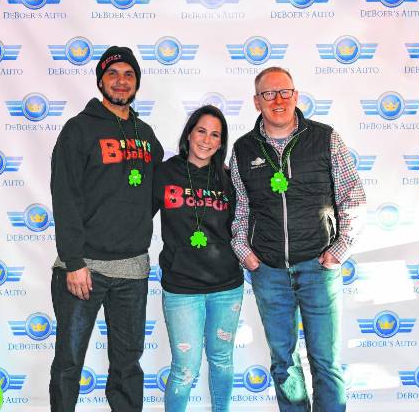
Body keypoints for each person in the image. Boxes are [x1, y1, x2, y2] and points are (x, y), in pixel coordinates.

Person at [230, 67, 366, 412]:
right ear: (256, 102)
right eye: (268, 94)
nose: (278, 100)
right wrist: (244, 252)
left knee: (326, 363)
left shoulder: (325, 138)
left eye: (284, 92)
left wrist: (339, 250)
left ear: (296, 95)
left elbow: (353, 195)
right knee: (283, 364)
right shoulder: (244, 149)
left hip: (319, 267)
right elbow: (240, 207)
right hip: (269, 272)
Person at [49, 46, 163, 412]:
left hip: (132, 269)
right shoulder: (78, 129)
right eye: (113, 74)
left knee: (127, 365)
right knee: (69, 362)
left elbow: (158, 185)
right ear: (101, 80)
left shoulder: (145, 133)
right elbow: (64, 194)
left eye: (129, 74)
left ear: (137, 83)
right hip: (84, 268)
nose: (121, 81)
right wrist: (73, 260)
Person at [153, 105, 243, 412]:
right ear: (189, 133)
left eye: (215, 135)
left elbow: (247, 224)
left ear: (221, 143)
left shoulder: (229, 179)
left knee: (222, 361)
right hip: (181, 289)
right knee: (184, 369)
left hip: (227, 286)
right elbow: (134, 215)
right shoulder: (165, 172)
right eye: (201, 131)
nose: (206, 140)